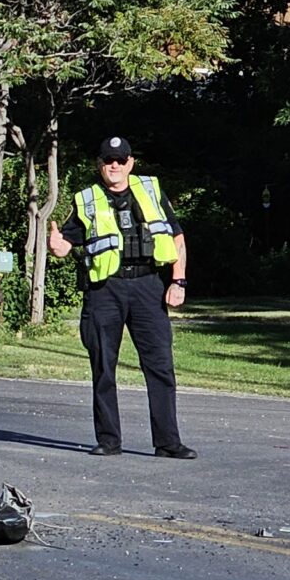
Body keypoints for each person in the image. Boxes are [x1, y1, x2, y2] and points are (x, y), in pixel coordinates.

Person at [47, 136, 196, 459]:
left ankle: (168, 441)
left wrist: (178, 281)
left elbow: (176, 236)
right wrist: (57, 246)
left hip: (148, 286)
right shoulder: (87, 200)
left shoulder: (151, 191)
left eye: (120, 160)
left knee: (160, 365)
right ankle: (109, 440)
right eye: (108, 160)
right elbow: (66, 244)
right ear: (99, 165)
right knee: (103, 366)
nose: (114, 165)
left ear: (130, 163)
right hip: (106, 290)